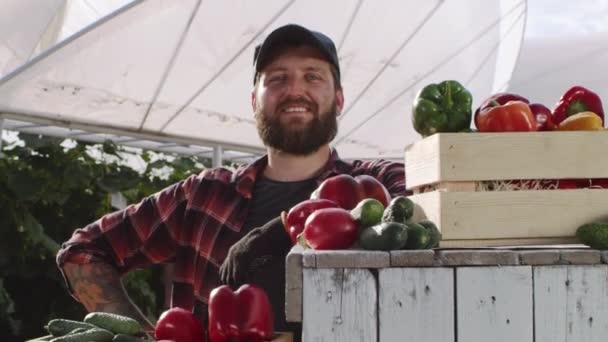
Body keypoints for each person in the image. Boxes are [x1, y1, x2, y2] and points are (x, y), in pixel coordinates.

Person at [56, 23, 406, 340]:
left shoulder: (378, 183)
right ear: (255, 101)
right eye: (277, 78)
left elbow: (439, 213)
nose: (295, 90)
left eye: (313, 76)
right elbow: (83, 251)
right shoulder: (203, 195)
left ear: (339, 99)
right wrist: (137, 335)